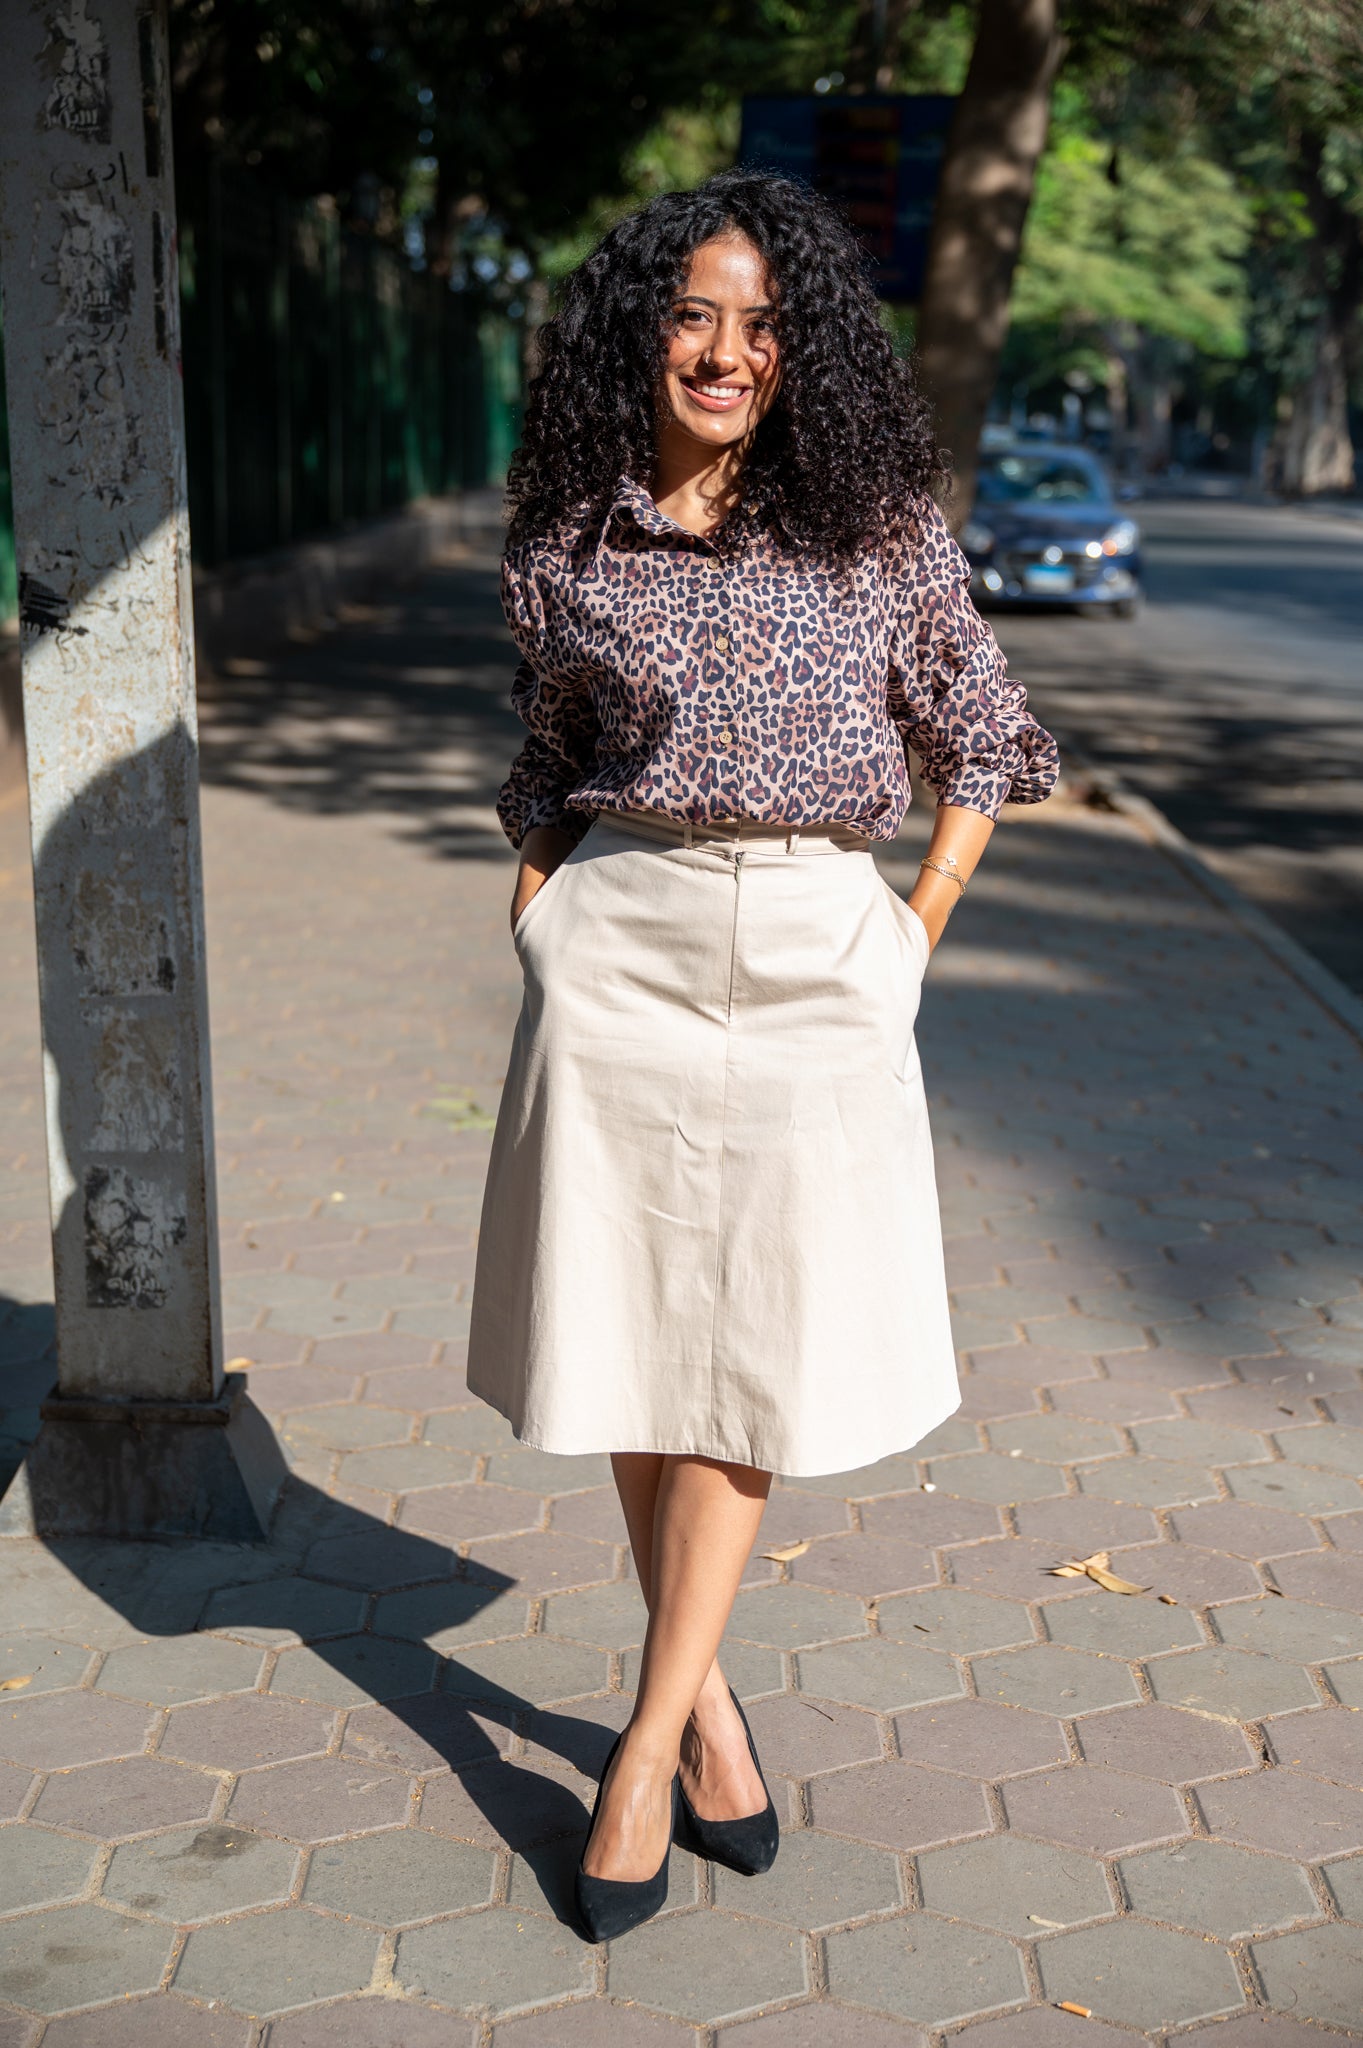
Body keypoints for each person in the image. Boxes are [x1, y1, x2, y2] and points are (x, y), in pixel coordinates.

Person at [466, 170, 1058, 1941]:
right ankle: (713, 1706)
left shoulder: (875, 525)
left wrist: (914, 932)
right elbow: (547, 753)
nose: (727, 352)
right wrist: (537, 915)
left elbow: (990, 727)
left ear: (803, 351)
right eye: (696, 314)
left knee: (751, 1361)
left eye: (763, 323)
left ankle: (641, 1748)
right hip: (620, 949)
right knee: (646, 1346)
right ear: (642, 327)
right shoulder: (568, 535)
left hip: (818, 953)